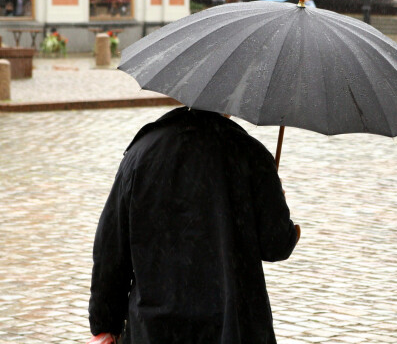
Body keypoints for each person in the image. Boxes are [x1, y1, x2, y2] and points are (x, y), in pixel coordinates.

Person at [88, 107, 301, 343]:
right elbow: (275, 245)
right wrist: (278, 205)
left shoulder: (141, 153)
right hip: (231, 325)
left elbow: (111, 247)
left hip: (153, 326)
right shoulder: (251, 153)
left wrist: (105, 324)